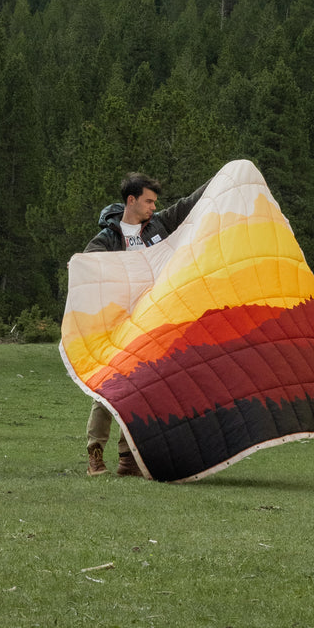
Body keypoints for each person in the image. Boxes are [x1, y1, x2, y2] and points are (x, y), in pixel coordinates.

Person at [83, 171, 205, 476]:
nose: (153, 206)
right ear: (131, 200)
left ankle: (128, 458)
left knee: (141, 389)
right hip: (119, 324)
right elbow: (88, 268)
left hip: (153, 322)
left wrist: (228, 173)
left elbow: (190, 203)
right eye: (148, 201)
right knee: (110, 388)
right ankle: (95, 453)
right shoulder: (108, 238)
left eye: (155, 202)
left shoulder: (160, 224)